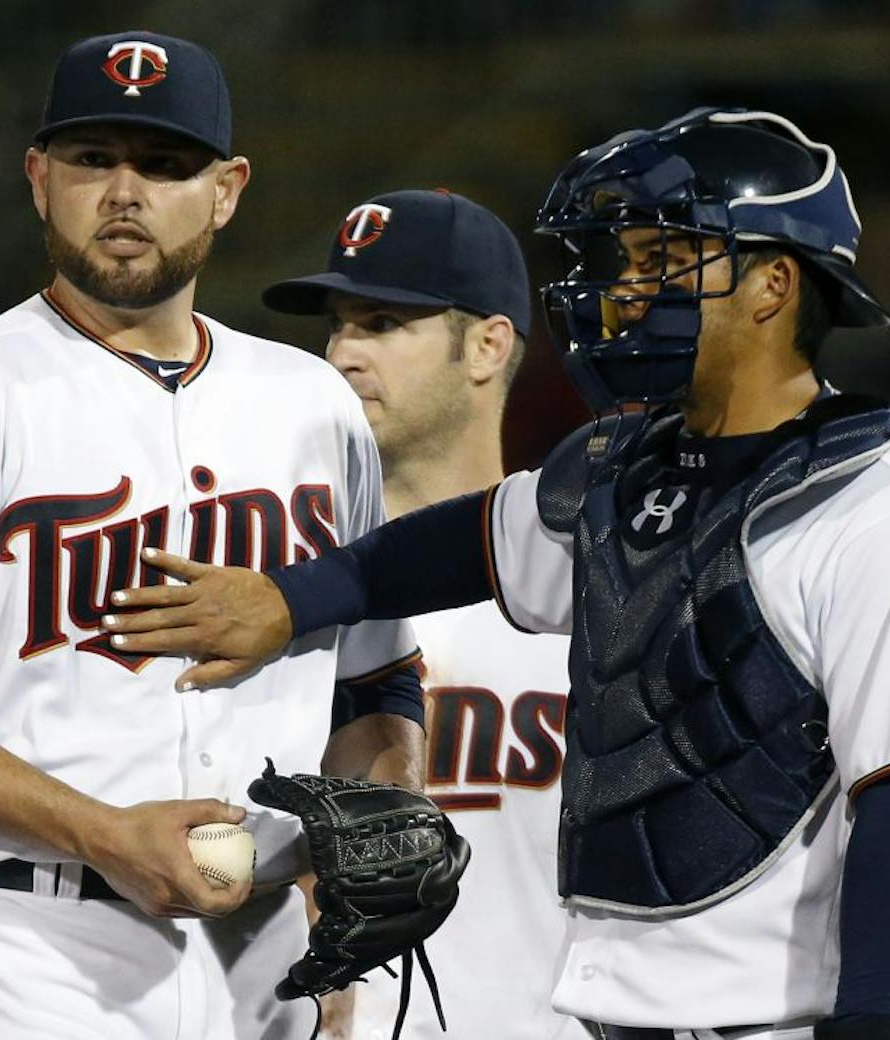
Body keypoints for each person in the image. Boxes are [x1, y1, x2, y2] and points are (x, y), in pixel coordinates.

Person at [103, 107, 890, 1040]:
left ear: (773, 284)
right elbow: (452, 545)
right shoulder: (628, 472)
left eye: (665, 261)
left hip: (783, 1023)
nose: (630, 292)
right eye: (631, 263)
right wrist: (288, 599)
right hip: (613, 1019)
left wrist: (876, 1019)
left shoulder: (882, 512)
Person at [0, 30, 425, 1040]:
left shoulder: (312, 404)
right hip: (35, 949)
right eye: (94, 159)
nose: (124, 191)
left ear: (226, 190)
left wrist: (369, 835)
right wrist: (99, 831)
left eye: (164, 164)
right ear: (39, 179)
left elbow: (374, 679)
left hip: (270, 950)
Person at [261, 189, 586, 1040]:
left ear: (487, 345)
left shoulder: (594, 589)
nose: (340, 353)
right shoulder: (276, 598)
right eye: (335, 324)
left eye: (380, 323)